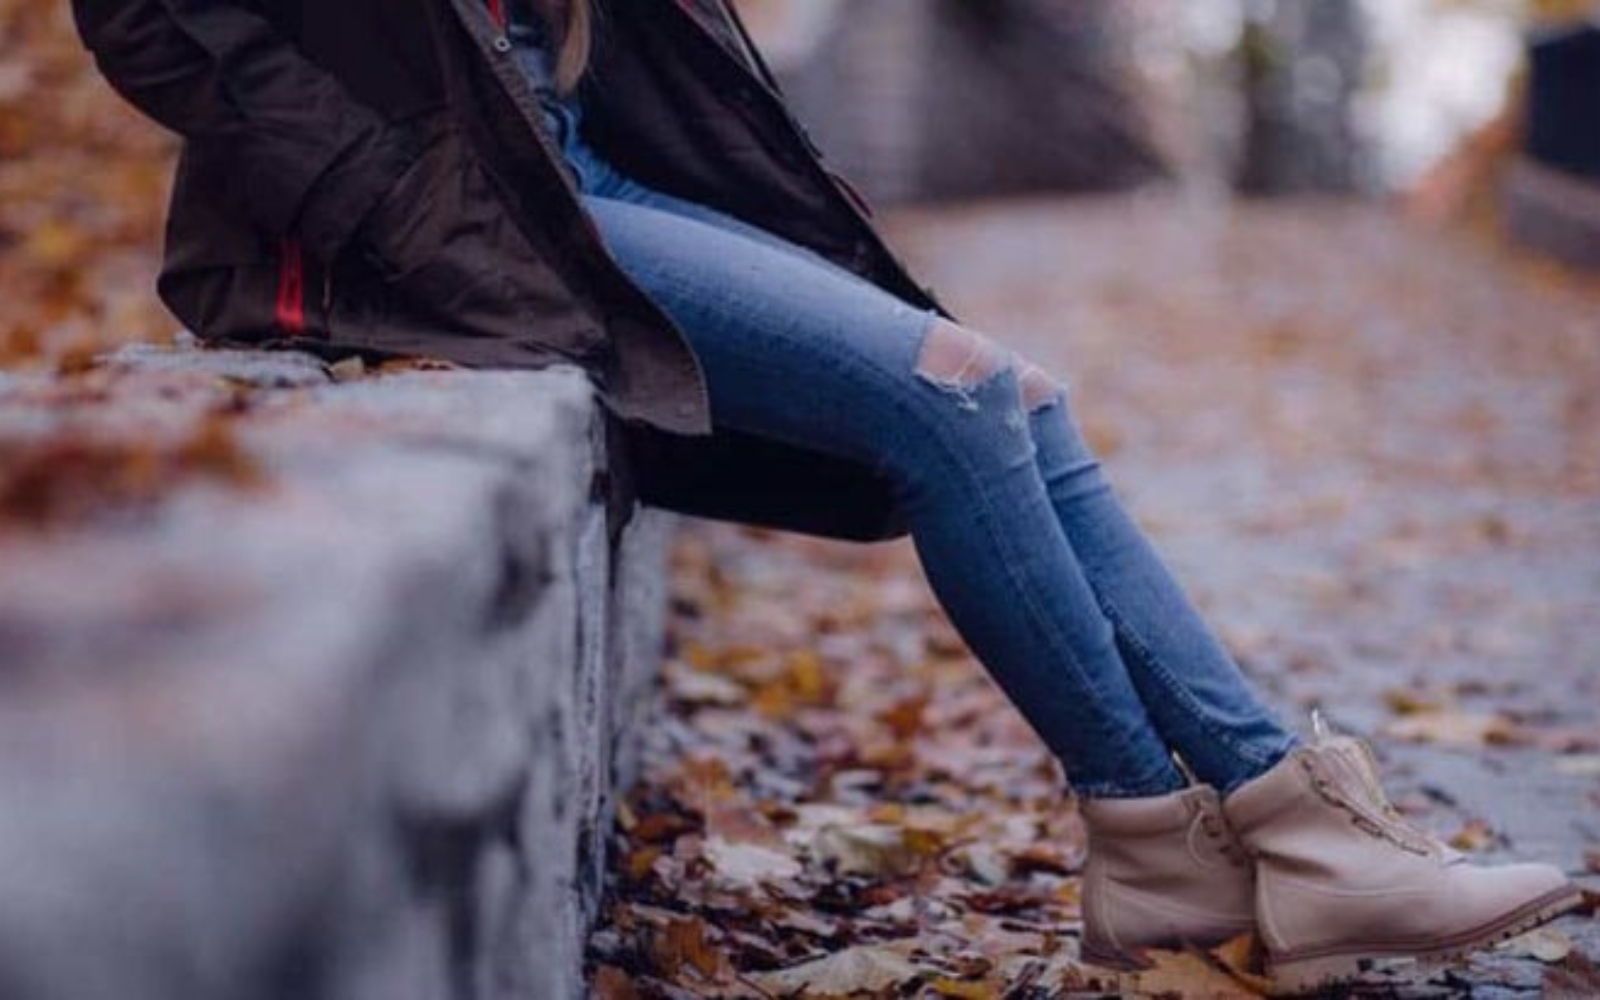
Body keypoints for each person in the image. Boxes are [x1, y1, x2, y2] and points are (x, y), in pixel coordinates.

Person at [72, 0, 1581, 992]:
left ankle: (1270, 832)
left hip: (575, 160)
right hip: (428, 213)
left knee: (1013, 391)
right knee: (955, 398)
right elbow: (146, 22)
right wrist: (369, 188)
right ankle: (1169, 832)